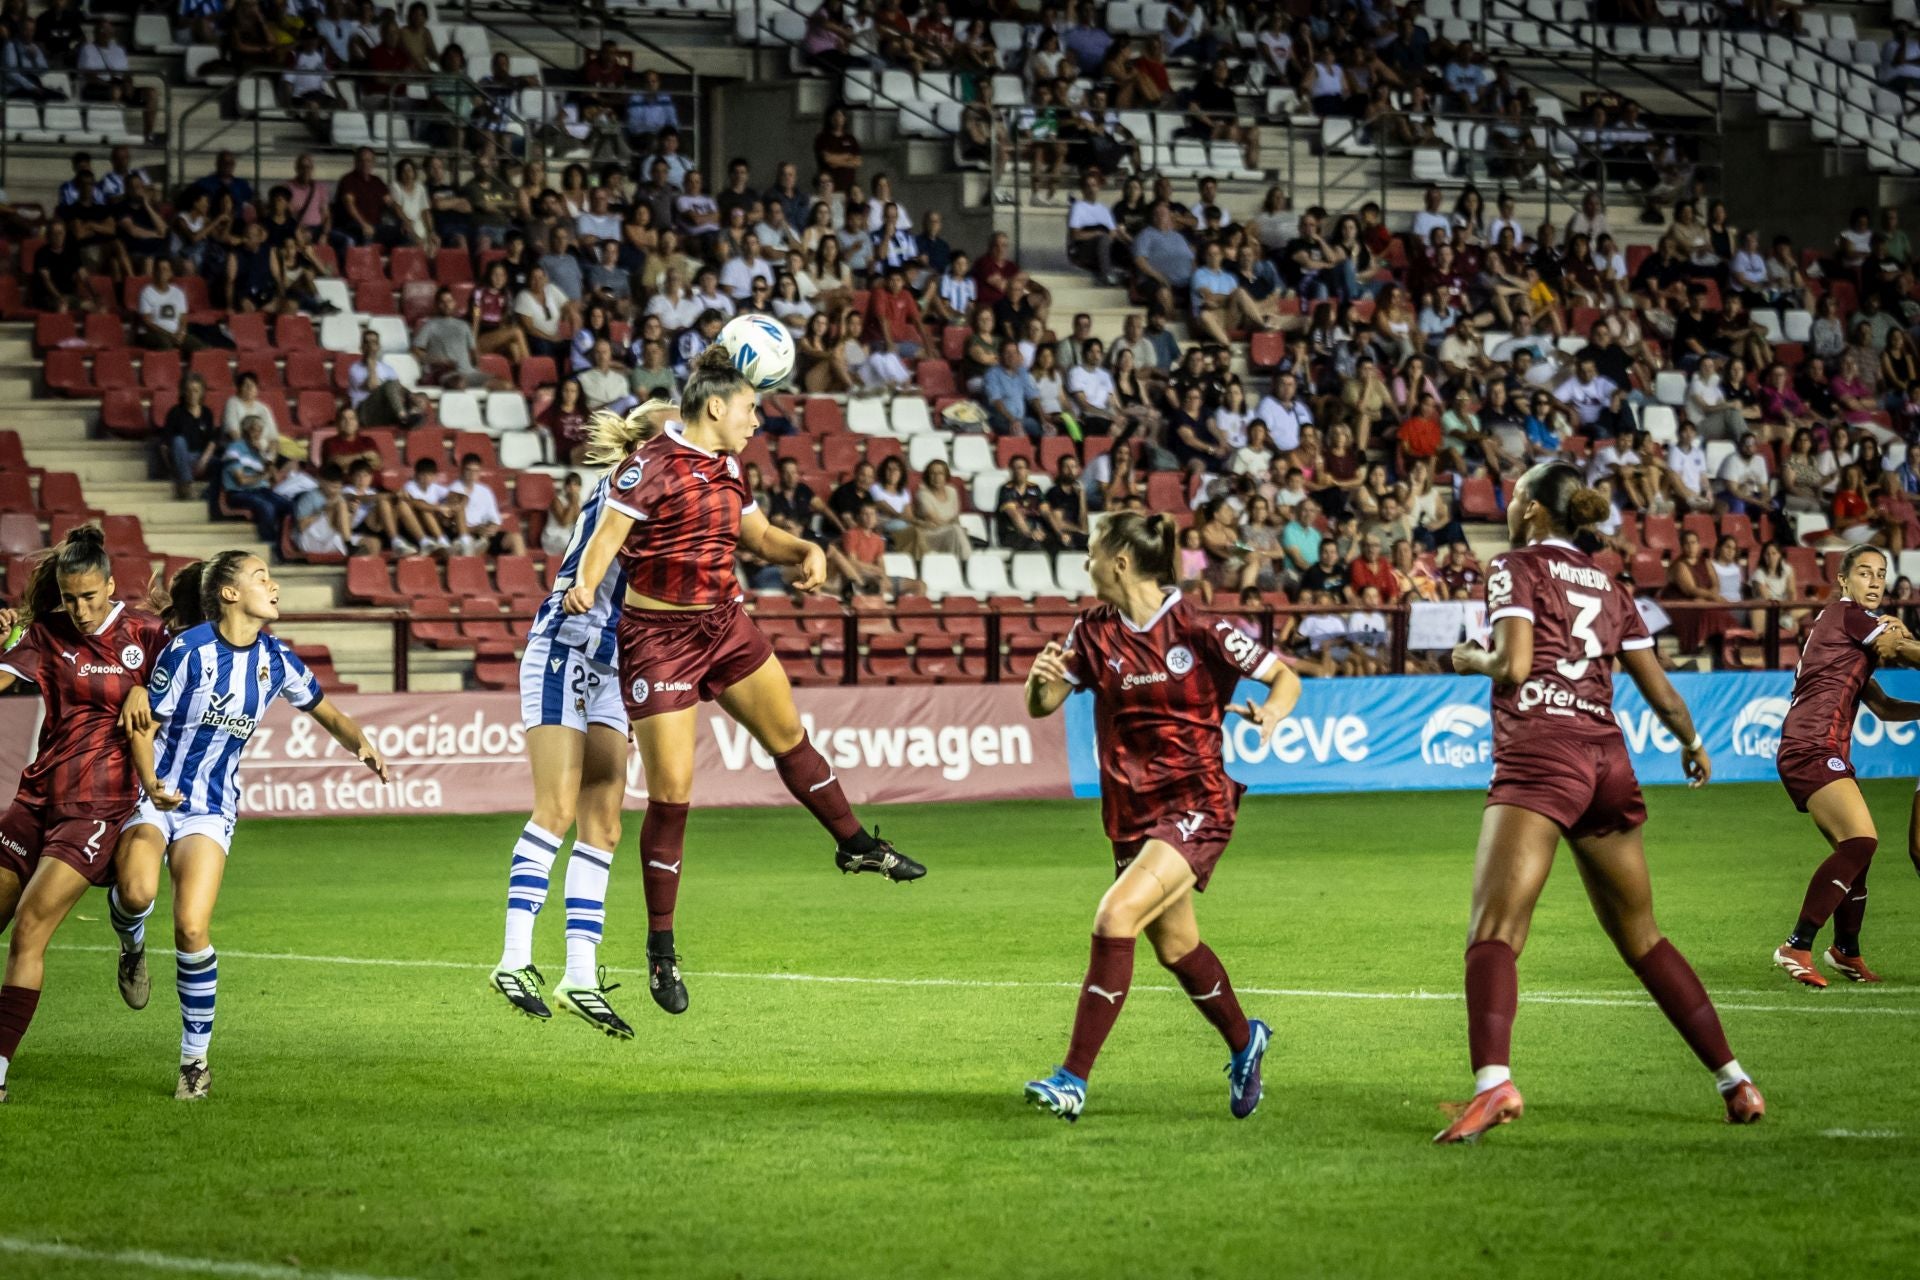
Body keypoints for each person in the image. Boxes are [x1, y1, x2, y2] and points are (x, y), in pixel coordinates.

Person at [559, 352, 929, 1014]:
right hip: (660, 643)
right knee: (672, 795)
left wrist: (807, 550)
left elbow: (753, 534)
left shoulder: (729, 464)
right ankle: (661, 949)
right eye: (751, 408)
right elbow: (607, 537)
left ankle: (857, 846)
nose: (757, 421)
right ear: (715, 408)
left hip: (725, 626)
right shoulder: (650, 467)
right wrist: (585, 585)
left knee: (788, 735)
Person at [1439, 461, 1764, 1143]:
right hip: (1607, 759)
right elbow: (1663, 692)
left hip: (1542, 751)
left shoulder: (1515, 566)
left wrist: (1473, 660)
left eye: (1514, 498)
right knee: (1642, 936)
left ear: (1530, 510)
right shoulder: (1612, 585)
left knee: (1493, 932)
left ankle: (1492, 1085)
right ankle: (1736, 1081)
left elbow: (1516, 665)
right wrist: (1692, 743)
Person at [1019, 512, 1301, 1122]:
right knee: (1177, 947)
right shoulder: (1090, 633)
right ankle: (1244, 1039)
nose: (1086, 563)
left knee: (1114, 915)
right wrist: (1039, 683)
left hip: (1197, 801)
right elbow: (1043, 705)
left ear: (1120, 560)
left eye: (1092, 552)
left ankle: (1072, 1079)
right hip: (1130, 812)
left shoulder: (1199, 624)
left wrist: (1274, 713)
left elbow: (1283, 677)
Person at [114, 554, 388, 1099]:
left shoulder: (275, 659)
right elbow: (144, 725)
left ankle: (195, 1062)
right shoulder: (188, 652)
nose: (274, 584)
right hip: (156, 794)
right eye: (262, 577)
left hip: (211, 807)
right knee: (136, 891)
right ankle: (131, 943)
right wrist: (150, 783)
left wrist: (361, 743)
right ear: (229, 595)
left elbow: (326, 711)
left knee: (192, 927)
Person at [491, 408, 682, 1033]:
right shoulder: (633, 481)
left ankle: (579, 972)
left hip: (611, 664)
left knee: (604, 822)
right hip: (565, 647)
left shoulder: (665, 486)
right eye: (676, 429)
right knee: (557, 807)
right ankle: (514, 958)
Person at [0, 528, 169, 1103]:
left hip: (97, 806)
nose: (80, 608)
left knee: (30, 928)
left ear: (111, 585)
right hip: (35, 799)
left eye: (91, 596)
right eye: (70, 597)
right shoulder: (46, 633)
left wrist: (147, 692)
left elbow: (187, 687)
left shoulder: (146, 633)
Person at [1770, 545, 1920, 988]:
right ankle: (1797, 945)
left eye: (1881, 574)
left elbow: (1887, 708)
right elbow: (1897, 647)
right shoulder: (1848, 615)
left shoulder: (1848, 635)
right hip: (1811, 746)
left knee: (1856, 855)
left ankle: (1846, 951)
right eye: (1864, 573)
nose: (1874, 582)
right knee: (1860, 842)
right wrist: (1902, 636)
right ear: (1843, 580)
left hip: (1815, 747)